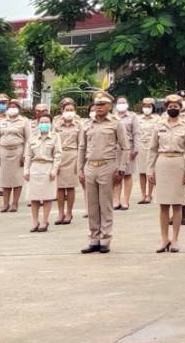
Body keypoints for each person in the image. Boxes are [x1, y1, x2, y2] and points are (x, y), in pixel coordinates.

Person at [79, 92, 129, 254]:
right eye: (96, 104)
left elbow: (125, 147)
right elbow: (82, 147)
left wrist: (121, 167)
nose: (98, 107)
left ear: (109, 106)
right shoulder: (87, 124)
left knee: (105, 204)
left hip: (107, 166)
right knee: (92, 205)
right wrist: (80, 169)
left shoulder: (116, 123)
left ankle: (105, 239)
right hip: (90, 166)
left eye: (102, 104)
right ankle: (94, 238)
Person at [153, 93, 185, 252]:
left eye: (176, 106)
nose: (173, 108)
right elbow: (152, 149)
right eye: (170, 106)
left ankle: (176, 239)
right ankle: (164, 239)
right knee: (163, 205)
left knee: (177, 205)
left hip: (179, 163)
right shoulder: (159, 125)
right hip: (162, 163)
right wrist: (150, 170)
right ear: (166, 108)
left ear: (181, 107)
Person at [25, 105, 60, 233]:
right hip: (35, 168)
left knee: (47, 197)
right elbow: (28, 155)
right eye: (42, 122)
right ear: (38, 123)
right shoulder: (33, 137)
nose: (44, 124)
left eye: (47, 122)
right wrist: (26, 170)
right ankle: (35, 221)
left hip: (48, 167)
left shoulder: (55, 137)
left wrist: (54, 170)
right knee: (33, 197)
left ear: (51, 124)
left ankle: (44, 221)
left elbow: (57, 155)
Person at [0, 98, 29, 214]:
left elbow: (28, 140)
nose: (12, 109)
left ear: (19, 109)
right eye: (10, 107)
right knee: (5, 179)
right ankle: (5, 203)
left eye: (14, 107)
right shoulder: (2, 122)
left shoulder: (24, 121)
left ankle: (15, 203)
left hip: (18, 151)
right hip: (4, 151)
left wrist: (25, 155)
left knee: (17, 178)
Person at [52, 97, 82, 226]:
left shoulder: (79, 124)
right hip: (59, 155)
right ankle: (60, 212)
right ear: (62, 110)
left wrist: (80, 161)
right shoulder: (56, 123)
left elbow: (81, 144)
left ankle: (69, 212)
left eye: (71, 109)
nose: (69, 111)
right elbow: (52, 141)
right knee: (59, 187)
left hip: (73, 155)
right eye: (66, 109)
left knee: (70, 187)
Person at [113, 95, 137, 211]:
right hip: (115, 149)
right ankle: (116, 200)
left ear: (127, 104)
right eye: (119, 102)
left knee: (127, 174)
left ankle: (125, 200)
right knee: (116, 176)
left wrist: (136, 149)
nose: (121, 104)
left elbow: (137, 133)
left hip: (129, 148)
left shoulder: (132, 116)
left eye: (123, 102)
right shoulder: (112, 117)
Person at [135, 96, 159, 205]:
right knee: (142, 172)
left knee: (150, 171)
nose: (147, 108)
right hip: (141, 147)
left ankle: (149, 194)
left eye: (149, 106)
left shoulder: (157, 119)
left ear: (153, 107)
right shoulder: (137, 118)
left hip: (152, 148)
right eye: (145, 106)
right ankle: (143, 194)